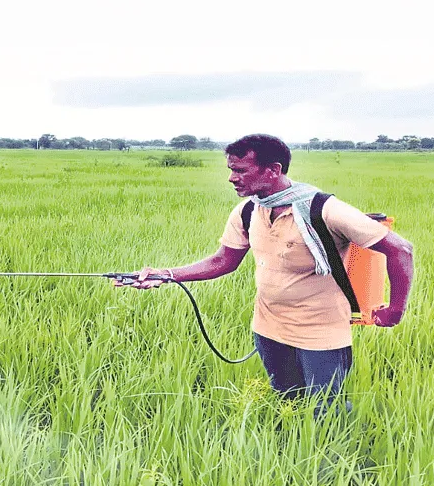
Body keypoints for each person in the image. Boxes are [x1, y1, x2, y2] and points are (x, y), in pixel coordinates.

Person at [119, 134, 415, 416]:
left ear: (273, 170)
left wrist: (395, 309)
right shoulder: (249, 211)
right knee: (286, 402)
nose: (232, 178)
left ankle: (340, 449)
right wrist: (166, 275)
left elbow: (401, 250)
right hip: (268, 327)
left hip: (320, 331)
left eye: (240, 170)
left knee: (325, 409)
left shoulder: (324, 210)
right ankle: (288, 447)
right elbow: (223, 260)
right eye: (231, 169)